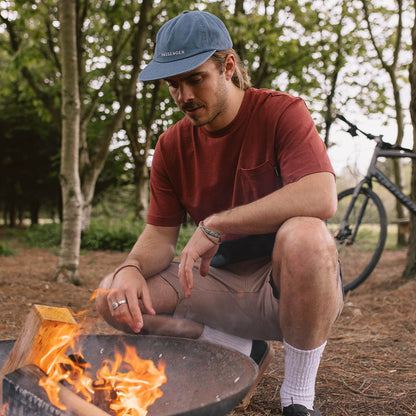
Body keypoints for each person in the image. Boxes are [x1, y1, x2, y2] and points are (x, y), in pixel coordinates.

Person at [96, 10, 343, 416]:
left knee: (306, 234)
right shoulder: (171, 146)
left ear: (228, 66)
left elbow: (322, 196)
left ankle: (298, 397)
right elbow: (159, 236)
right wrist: (130, 268)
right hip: (217, 283)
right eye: (173, 84)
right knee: (115, 298)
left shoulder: (281, 112)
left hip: (288, 285)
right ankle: (244, 349)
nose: (184, 96)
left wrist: (218, 223)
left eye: (195, 79)